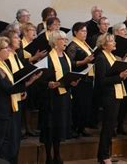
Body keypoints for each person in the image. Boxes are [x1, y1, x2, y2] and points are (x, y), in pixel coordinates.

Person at [0, 36, 41, 164]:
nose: (8, 51)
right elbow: (8, 88)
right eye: (5, 48)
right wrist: (29, 82)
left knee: (5, 142)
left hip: (6, 108)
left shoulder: (2, 65)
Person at [39, 30, 79, 164]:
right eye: (63, 39)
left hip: (64, 96)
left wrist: (73, 81)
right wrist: (48, 83)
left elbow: (68, 74)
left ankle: (57, 154)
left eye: (65, 39)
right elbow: (40, 80)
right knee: (50, 127)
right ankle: (48, 157)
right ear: (55, 42)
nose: (66, 42)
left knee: (59, 127)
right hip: (51, 98)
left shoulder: (66, 57)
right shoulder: (47, 59)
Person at [95, 33, 127, 164]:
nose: (115, 44)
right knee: (108, 127)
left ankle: (106, 155)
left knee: (111, 127)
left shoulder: (111, 56)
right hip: (108, 95)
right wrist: (120, 76)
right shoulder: (100, 58)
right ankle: (103, 156)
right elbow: (102, 80)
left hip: (116, 93)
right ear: (104, 45)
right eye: (112, 42)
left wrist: (122, 75)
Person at [65, 22, 95, 138]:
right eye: (82, 31)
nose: (84, 33)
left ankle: (81, 127)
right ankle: (74, 128)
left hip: (88, 78)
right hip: (78, 79)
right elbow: (70, 63)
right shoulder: (72, 45)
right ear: (75, 32)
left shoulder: (85, 44)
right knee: (78, 104)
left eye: (86, 31)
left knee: (86, 105)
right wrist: (84, 62)